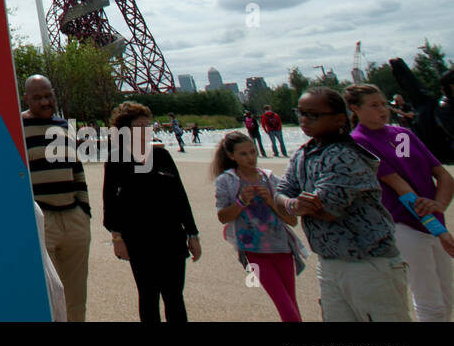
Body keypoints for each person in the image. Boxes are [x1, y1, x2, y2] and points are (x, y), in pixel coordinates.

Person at [274, 88, 413, 322]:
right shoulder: (304, 154)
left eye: (314, 114)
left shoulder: (344, 155)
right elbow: (280, 193)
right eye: (301, 113)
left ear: (340, 119)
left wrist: (293, 206)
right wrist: (293, 204)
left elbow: (326, 209)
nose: (305, 120)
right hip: (330, 262)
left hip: (369, 263)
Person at [345, 83, 454, 321]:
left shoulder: (401, 135)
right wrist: (438, 229)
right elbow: (403, 190)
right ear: (355, 108)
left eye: (384, 104)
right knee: (430, 301)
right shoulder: (359, 142)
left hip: (432, 220)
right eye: (374, 105)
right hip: (404, 224)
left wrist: (439, 205)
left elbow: (443, 175)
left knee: (447, 298)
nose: (383, 109)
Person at [104, 101, 201, 322]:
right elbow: (110, 203)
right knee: (148, 297)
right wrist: (117, 238)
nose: (146, 131)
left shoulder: (162, 156)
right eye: (140, 127)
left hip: (171, 238)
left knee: (174, 296)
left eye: (148, 126)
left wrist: (192, 234)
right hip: (139, 240)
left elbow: (180, 197)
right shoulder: (117, 160)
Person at [212, 132, 306, 321]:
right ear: (231, 156)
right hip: (252, 252)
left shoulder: (272, 179)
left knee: (291, 303)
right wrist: (241, 201)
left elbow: (292, 220)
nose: (251, 158)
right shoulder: (226, 181)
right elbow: (222, 217)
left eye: (253, 152)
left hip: (282, 248)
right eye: (243, 154)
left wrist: (271, 202)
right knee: (285, 306)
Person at [20, 74, 90, 322]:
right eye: (37, 97)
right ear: (26, 98)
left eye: (48, 95)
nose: (45, 101)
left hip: (73, 219)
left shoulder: (64, 126)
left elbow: (77, 169)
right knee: (47, 294)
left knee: (76, 293)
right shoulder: (17, 127)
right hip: (42, 220)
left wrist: (84, 211)